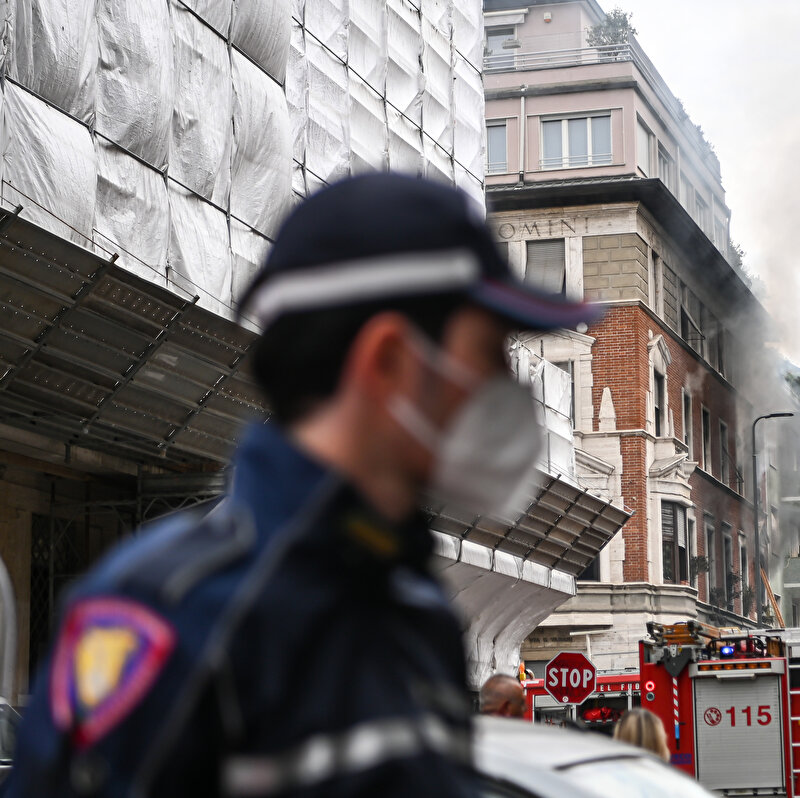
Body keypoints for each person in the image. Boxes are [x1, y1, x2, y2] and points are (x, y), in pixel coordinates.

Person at [2, 172, 600, 797]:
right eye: (489, 353)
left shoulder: (415, 607)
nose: (507, 388)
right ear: (390, 360)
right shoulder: (175, 610)